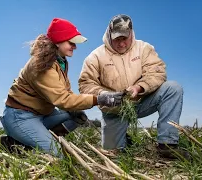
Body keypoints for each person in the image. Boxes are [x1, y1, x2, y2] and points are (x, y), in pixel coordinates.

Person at [0, 18, 120, 158]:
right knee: (58, 155)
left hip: (41, 115)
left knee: (77, 116)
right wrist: (99, 99)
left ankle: (20, 142)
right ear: (58, 41)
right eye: (71, 42)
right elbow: (63, 99)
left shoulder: (60, 61)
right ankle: (28, 141)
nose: (75, 46)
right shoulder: (42, 64)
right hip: (20, 117)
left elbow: (66, 92)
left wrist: (79, 107)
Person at [78, 14, 188, 159]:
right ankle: (123, 138)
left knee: (173, 88)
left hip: (142, 102)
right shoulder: (95, 56)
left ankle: (167, 145)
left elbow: (157, 73)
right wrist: (103, 94)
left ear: (131, 34)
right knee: (113, 153)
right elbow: (85, 83)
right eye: (117, 39)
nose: (121, 44)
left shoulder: (144, 48)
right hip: (114, 110)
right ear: (109, 35)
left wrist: (139, 87)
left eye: (125, 38)